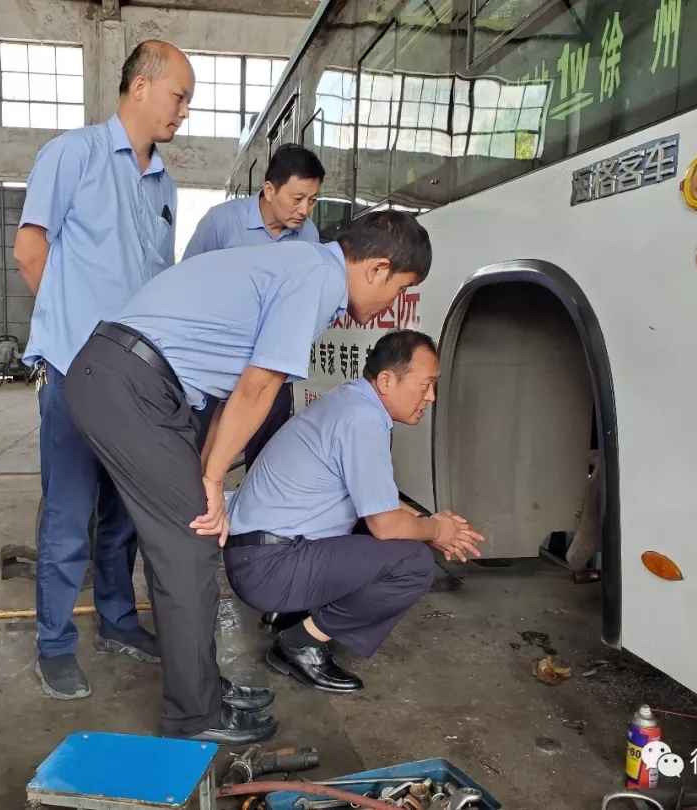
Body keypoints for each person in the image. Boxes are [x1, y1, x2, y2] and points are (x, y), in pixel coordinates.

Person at [62, 210, 434, 744]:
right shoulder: (318, 278)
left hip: (131, 380)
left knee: (189, 539)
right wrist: (212, 481)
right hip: (132, 383)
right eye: (400, 288)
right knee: (190, 546)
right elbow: (259, 386)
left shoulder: (301, 264)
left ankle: (201, 687)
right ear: (377, 269)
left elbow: (235, 393)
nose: (394, 303)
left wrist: (207, 472)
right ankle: (195, 715)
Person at [13, 40, 194, 701]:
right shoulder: (74, 155)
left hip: (135, 380)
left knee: (122, 515)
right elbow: (30, 250)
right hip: (75, 370)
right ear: (141, 86)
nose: (183, 112)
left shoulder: (165, 184)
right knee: (68, 513)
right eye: (179, 96)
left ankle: (118, 622)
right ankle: (55, 645)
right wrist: (69, 337)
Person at [224, 330, 484, 693]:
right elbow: (385, 523)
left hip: (258, 554)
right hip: (269, 567)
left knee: (395, 533)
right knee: (412, 563)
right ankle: (299, 644)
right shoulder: (363, 419)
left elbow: (378, 500)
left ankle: (290, 612)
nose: (431, 397)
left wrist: (430, 524)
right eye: (426, 385)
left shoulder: (352, 402)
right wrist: (437, 531)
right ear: (387, 381)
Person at [181, 144, 326, 463]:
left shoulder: (308, 236)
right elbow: (186, 282)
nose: (304, 210)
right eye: (297, 198)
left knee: (267, 454)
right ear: (270, 190)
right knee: (201, 449)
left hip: (271, 363)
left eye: (313, 201)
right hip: (215, 362)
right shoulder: (222, 223)